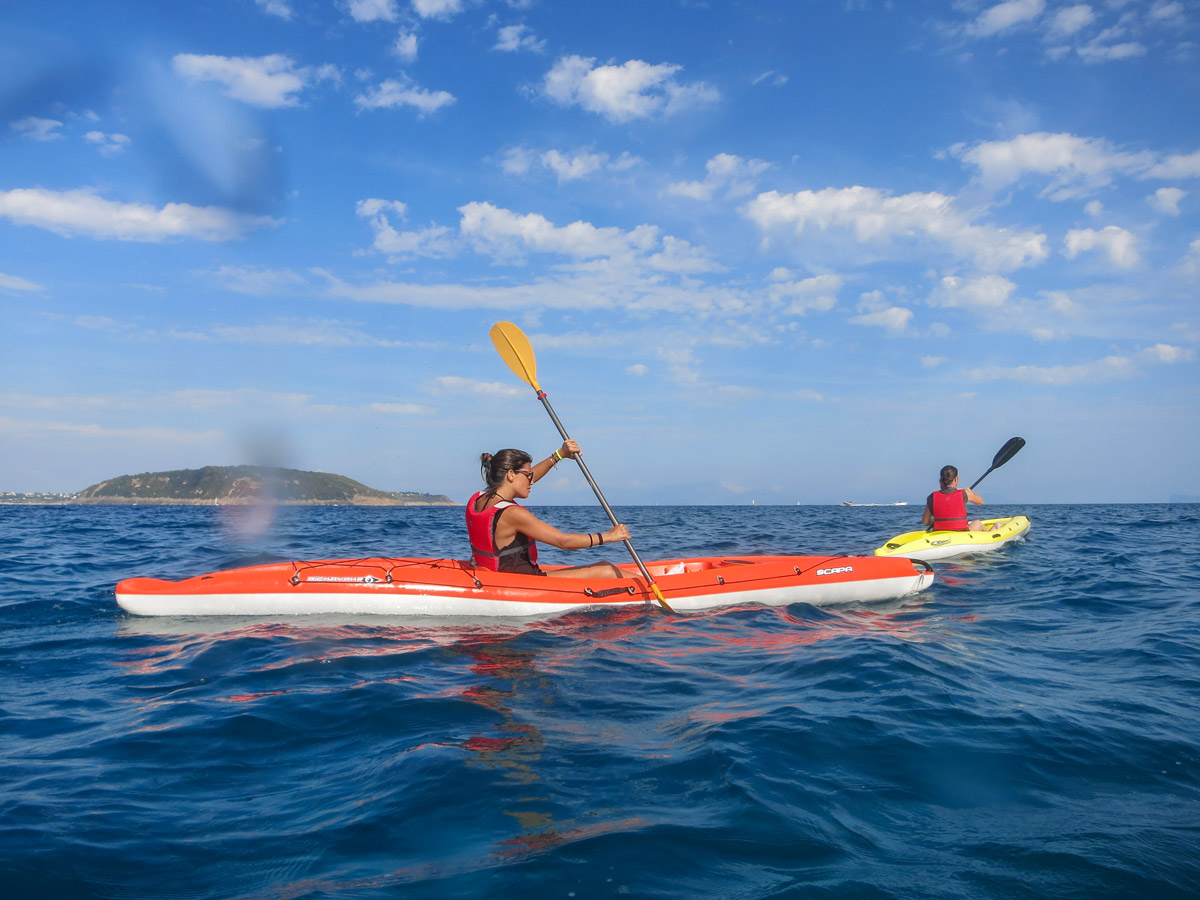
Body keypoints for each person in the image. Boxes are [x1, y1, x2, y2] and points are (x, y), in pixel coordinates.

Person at [466, 440, 631, 578]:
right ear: (510, 474)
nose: (531, 481)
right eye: (528, 475)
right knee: (607, 569)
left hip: (497, 575)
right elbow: (563, 541)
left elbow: (526, 477)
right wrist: (610, 536)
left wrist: (559, 455)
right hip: (524, 582)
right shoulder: (512, 513)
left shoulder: (478, 499)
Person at [922, 464, 990, 532]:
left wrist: (937, 522)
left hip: (939, 532)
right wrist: (970, 492)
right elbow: (980, 502)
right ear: (956, 479)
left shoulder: (932, 497)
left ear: (941, 480)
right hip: (962, 532)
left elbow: (925, 521)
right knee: (978, 523)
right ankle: (993, 531)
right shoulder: (964, 493)